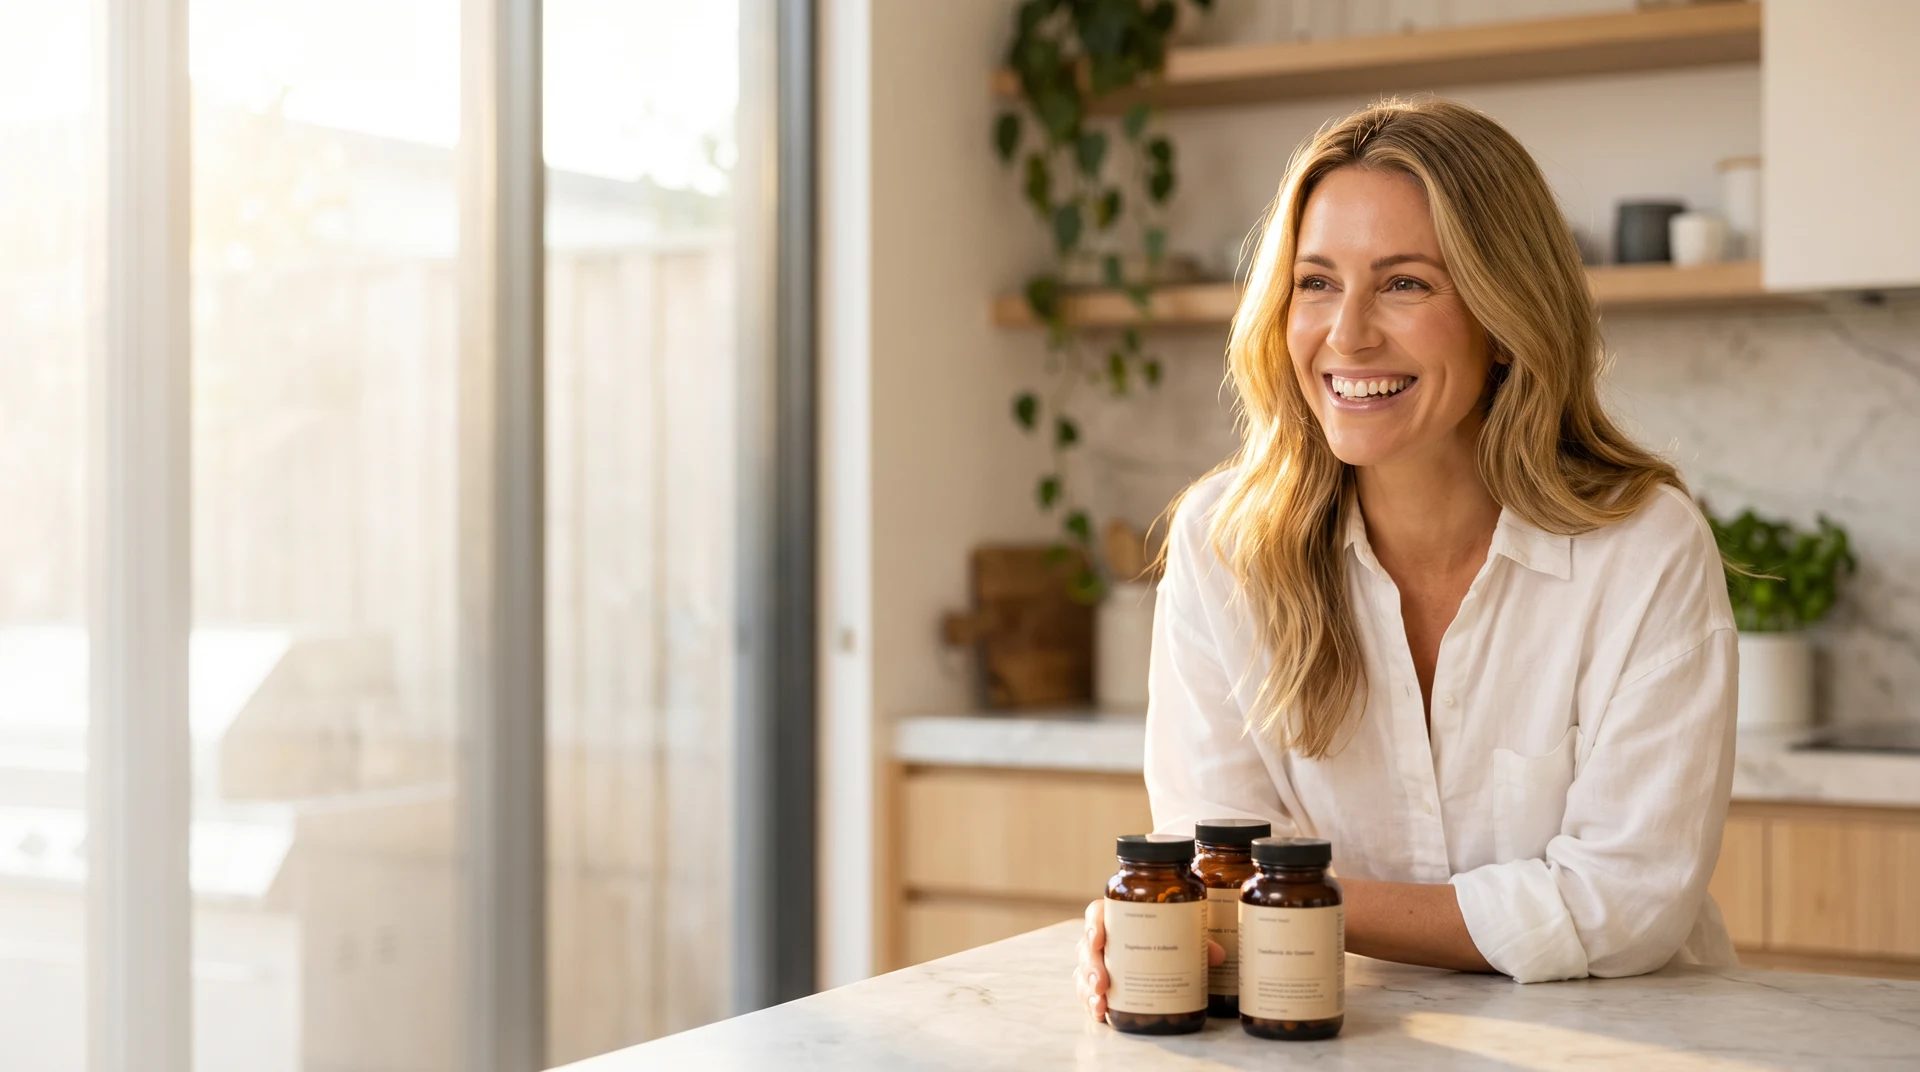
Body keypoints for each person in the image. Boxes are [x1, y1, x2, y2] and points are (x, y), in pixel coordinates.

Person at [1076, 97, 1739, 1022]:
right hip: (1330, 1032)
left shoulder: (1643, 549)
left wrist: (1284, 899)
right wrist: (1181, 913)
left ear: (1505, 320)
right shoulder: (1223, 544)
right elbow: (1204, 853)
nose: (1347, 335)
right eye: (1315, 282)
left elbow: (1627, 907)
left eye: (1405, 284)